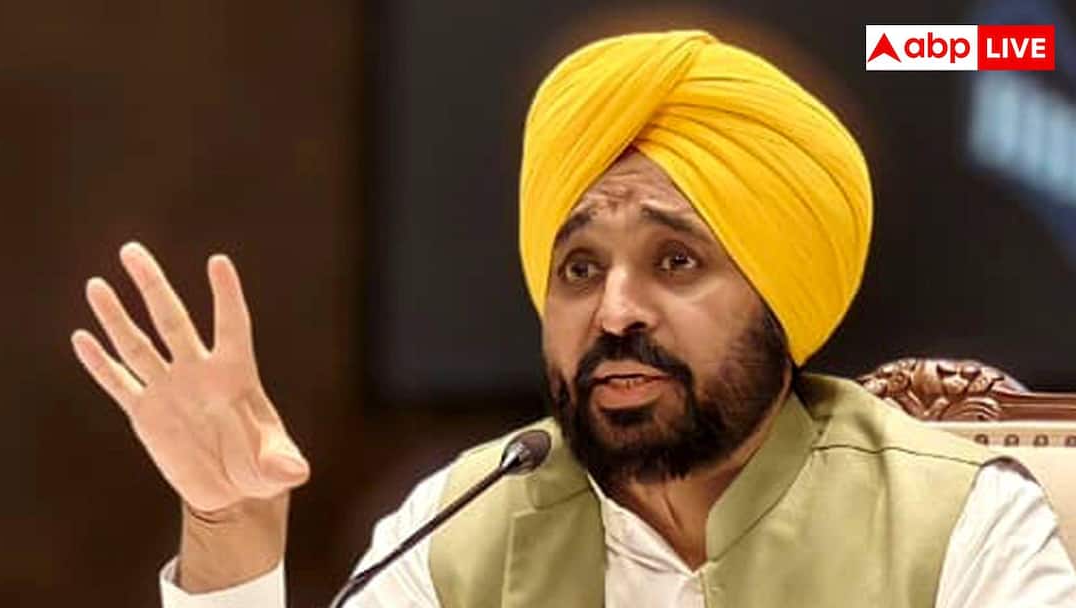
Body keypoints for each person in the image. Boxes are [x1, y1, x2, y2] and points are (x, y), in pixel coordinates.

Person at [71, 30, 1076, 607]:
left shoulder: (958, 524)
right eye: (580, 267)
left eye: (676, 261)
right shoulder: (460, 526)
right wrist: (234, 529)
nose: (615, 311)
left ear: (780, 295)